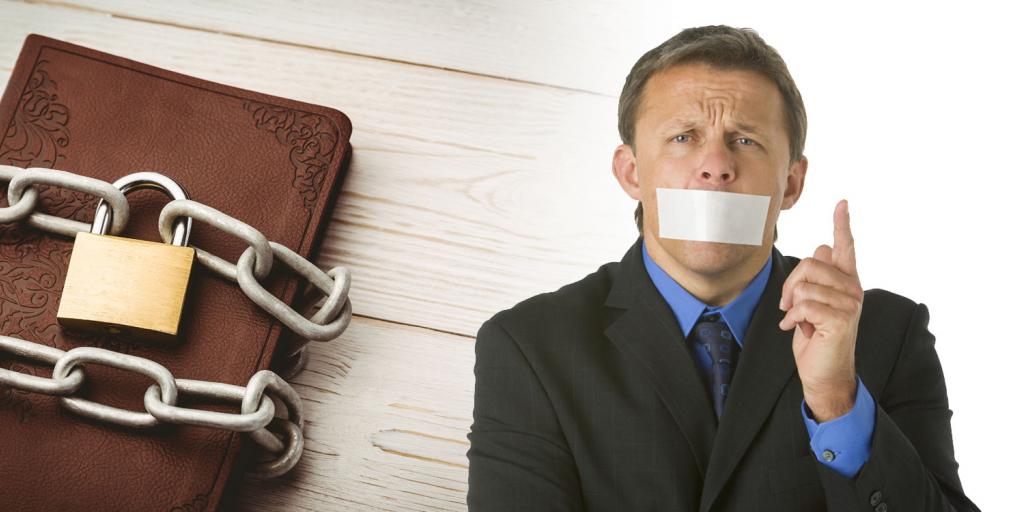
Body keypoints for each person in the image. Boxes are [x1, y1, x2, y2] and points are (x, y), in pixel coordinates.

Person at [466, 25, 980, 511]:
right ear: (631, 172)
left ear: (792, 183)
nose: (716, 166)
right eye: (684, 137)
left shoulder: (887, 334)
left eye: (745, 140)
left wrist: (836, 401)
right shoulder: (532, 345)